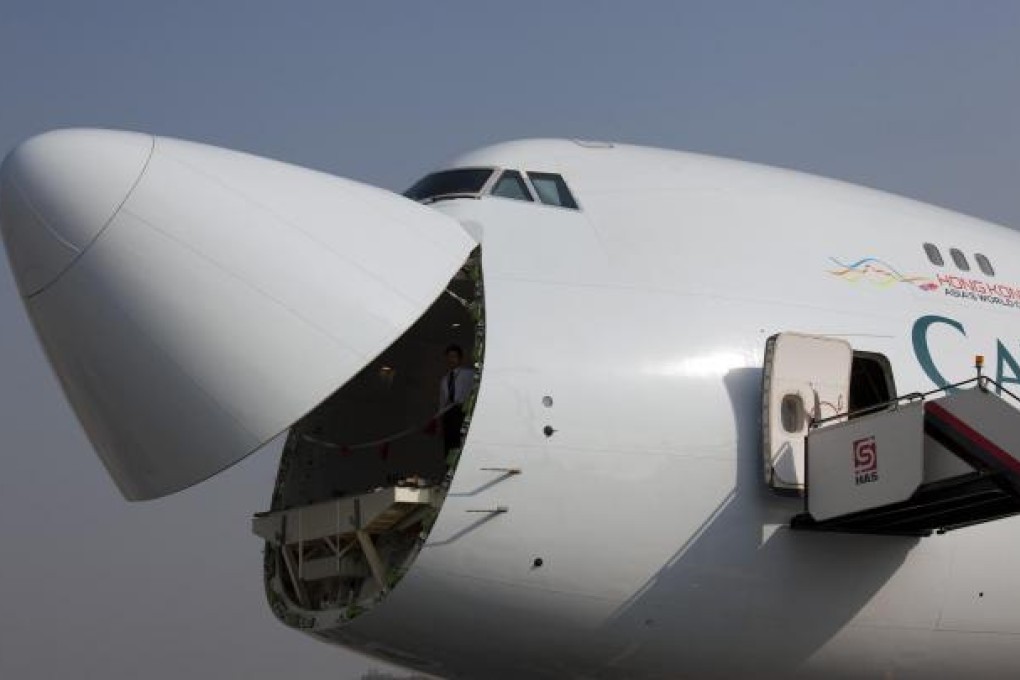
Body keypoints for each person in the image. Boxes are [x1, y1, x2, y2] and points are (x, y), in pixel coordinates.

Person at [439, 343, 475, 454]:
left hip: (462, 411)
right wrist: (440, 419)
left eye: (454, 356)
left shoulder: (469, 374)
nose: (451, 360)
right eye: (449, 357)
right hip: (448, 415)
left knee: (461, 445)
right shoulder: (444, 379)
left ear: (460, 358)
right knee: (449, 447)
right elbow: (442, 402)